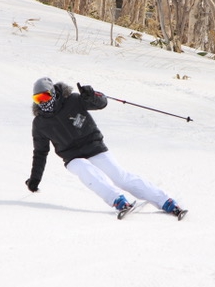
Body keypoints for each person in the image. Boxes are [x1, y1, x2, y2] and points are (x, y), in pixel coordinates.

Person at [25, 77, 186, 218]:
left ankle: (166, 202)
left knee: (120, 177)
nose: (43, 102)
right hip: (72, 157)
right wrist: (35, 179)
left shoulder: (73, 100)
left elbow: (102, 103)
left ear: (53, 93)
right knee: (85, 171)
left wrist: (91, 95)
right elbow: (40, 152)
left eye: (45, 96)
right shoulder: (39, 123)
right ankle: (118, 201)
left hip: (94, 147)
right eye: (38, 99)